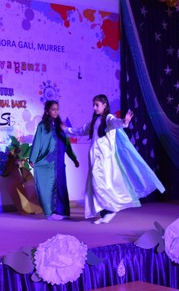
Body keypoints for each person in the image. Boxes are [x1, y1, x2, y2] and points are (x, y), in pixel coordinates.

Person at [65, 94, 165, 224]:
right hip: (95, 159)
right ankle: (105, 212)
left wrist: (124, 122)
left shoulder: (108, 118)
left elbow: (116, 123)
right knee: (95, 186)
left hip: (105, 159)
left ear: (104, 105)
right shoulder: (95, 120)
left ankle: (110, 210)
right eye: (94, 105)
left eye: (97, 105)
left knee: (100, 185)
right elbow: (81, 130)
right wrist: (65, 129)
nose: (94, 107)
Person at [29, 100, 79, 220]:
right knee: (47, 188)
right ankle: (49, 212)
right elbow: (37, 142)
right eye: (53, 109)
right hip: (48, 161)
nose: (56, 111)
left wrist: (73, 158)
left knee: (60, 186)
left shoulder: (60, 126)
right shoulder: (42, 126)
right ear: (47, 111)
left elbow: (67, 143)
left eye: (57, 109)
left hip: (59, 162)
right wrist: (33, 158)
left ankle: (61, 212)